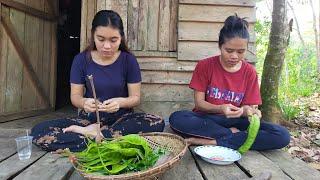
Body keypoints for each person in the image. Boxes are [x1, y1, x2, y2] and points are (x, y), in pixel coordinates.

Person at [31, 10, 164, 152]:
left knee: (157, 122)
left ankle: (95, 137)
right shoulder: (81, 60)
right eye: (101, 39)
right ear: (93, 35)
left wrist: (120, 102)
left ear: (121, 38)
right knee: (38, 131)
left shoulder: (128, 60)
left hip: (121, 120)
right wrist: (84, 103)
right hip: (88, 120)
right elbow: (75, 97)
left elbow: (135, 98)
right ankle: (108, 139)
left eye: (113, 40)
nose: (107, 46)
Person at [169, 15, 290, 151]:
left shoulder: (249, 72)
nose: (234, 56)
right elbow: (199, 104)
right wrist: (220, 108)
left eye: (241, 51)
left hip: (237, 122)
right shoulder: (205, 66)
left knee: (282, 135)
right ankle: (232, 137)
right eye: (229, 50)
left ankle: (212, 141)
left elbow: (249, 108)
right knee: (177, 118)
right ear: (220, 46)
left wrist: (248, 111)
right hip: (208, 120)